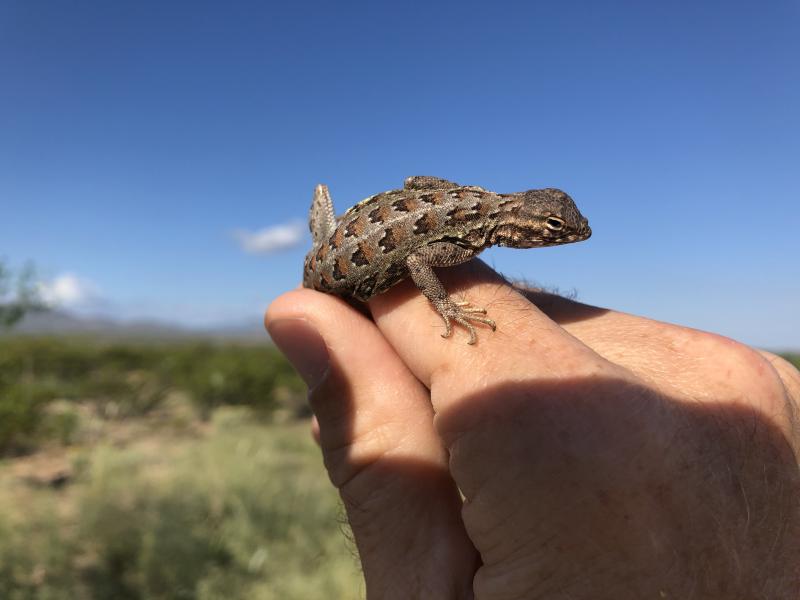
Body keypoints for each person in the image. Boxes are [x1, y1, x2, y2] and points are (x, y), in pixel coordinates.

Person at [265, 260, 800, 599]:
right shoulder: (457, 243)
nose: (567, 239)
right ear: (517, 232)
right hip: (348, 268)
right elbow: (418, 259)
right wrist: (446, 306)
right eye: (550, 234)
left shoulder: (467, 225)